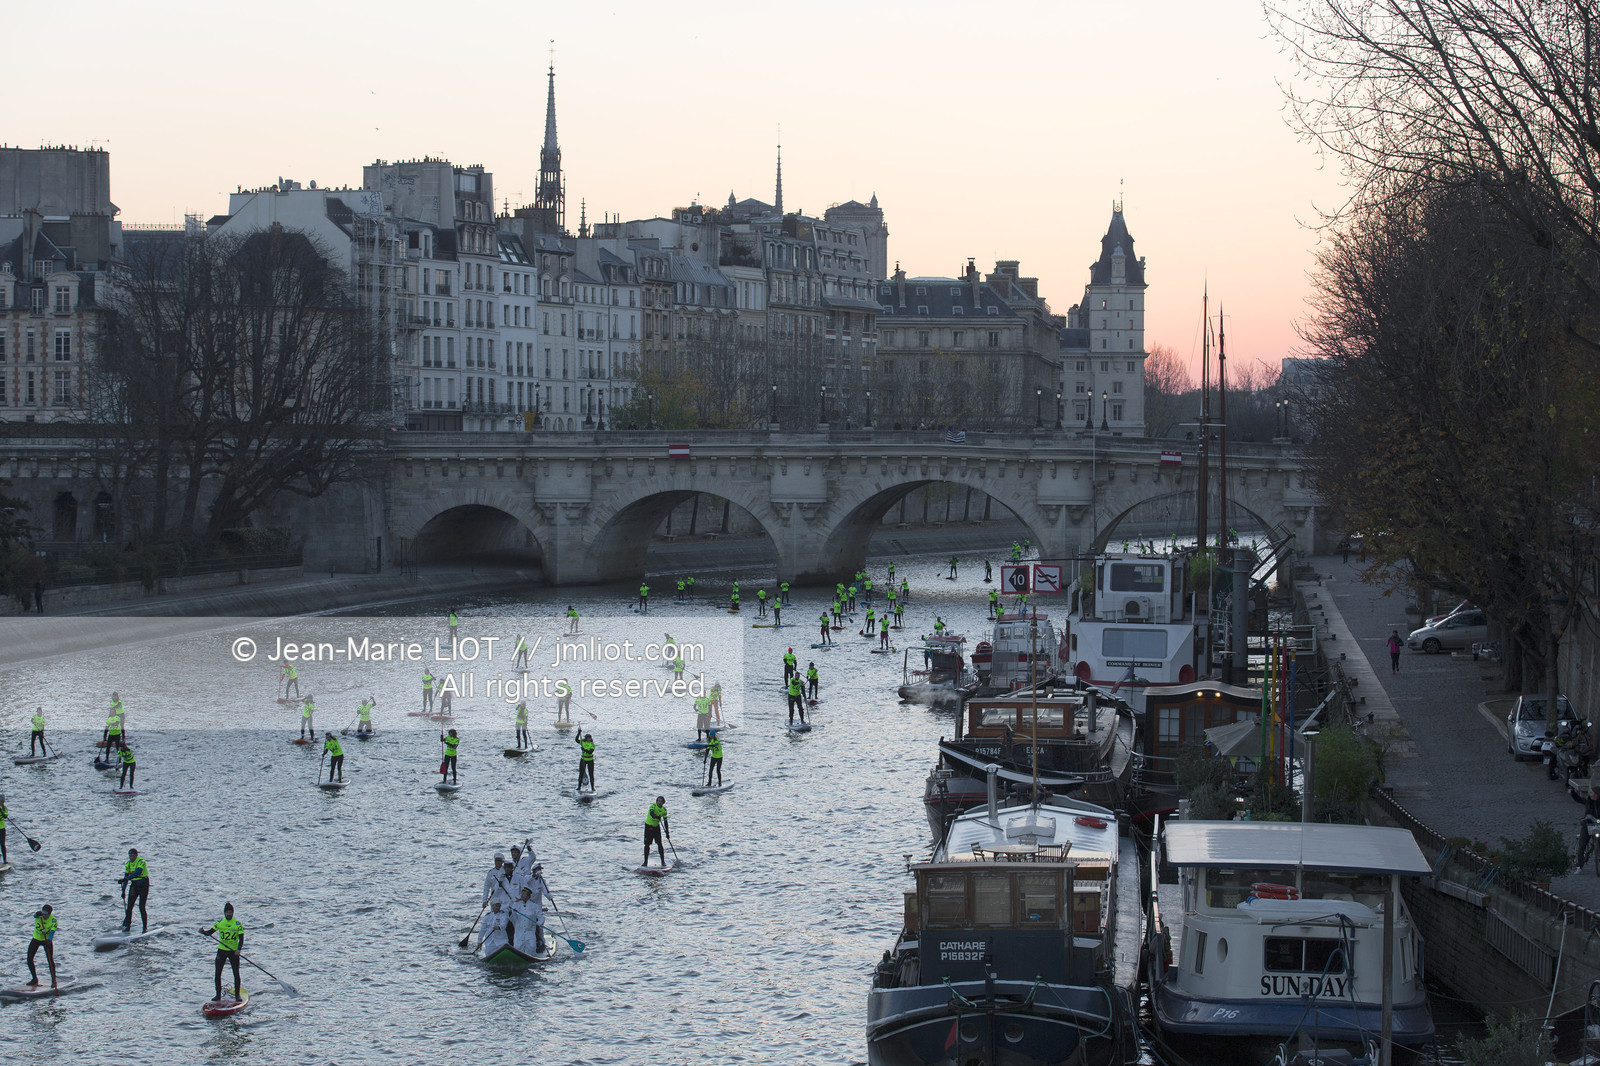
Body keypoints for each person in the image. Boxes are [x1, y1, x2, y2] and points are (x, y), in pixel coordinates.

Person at [201, 903, 244, 1002]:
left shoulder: (238, 924)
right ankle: (218, 995)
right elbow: (210, 932)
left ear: (233, 913)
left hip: (233, 952)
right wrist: (203, 932)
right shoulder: (220, 922)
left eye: (230, 912)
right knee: (217, 973)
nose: (229, 914)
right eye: (227, 912)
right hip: (222, 951)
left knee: (236, 973)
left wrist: (238, 949)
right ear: (224, 913)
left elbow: (241, 940)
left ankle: (237, 995)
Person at [119, 848, 150, 933]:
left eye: (132, 856)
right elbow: (125, 879)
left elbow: (137, 872)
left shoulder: (141, 861)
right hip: (134, 885)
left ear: (136, 855)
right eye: (129, 856)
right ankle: (128, 927)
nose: (131, 858)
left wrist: (126, 878)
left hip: (143, 884)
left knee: (141, 907)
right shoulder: (128, 864)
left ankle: (145, 928)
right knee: (129, 907)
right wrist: (123, 891)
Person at [26, 904, 56, 988]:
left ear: (50, 914)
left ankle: (54, 981)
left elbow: (52, 932)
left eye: (46, 914)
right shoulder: (39, 916)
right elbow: (34, 915)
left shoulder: (53, 920)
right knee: (29, 958)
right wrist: (37, 913)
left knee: (50, 960)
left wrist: (49, 940)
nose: (44, 915)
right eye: (43, 913)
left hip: (46, 940)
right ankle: (34, 979)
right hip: (36, 939)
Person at [1573, 781, 1600, 867]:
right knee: (1582, 845)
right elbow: (1579, 799)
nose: (1590, 794)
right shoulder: (1588, 802)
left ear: (1597, 794)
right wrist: (1572, 793)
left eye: (1592, 792)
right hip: (1587, 825)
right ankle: (1579, 866)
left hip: (1598, 825)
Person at [644, 796, 670, 867]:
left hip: (656, 827)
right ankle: (645, 862)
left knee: (660, 844)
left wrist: (667, 832)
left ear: (663, 802)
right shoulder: (652, 806)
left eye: (661, 801)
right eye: (658, 801)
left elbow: (665, 821)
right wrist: (656, 816)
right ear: (656, 801)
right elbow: (652, 814)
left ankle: (663, 861)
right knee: (647, 844)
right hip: (648, 827)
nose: (659, 802)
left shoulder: (664, 810)